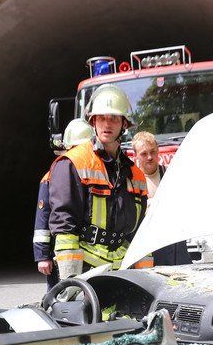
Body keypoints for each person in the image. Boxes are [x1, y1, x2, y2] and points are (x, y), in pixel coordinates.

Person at [49, 84, 153, 278]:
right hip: (86, 272)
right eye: (101, 118)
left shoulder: (135, 174)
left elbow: (140, 233)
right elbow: (65, 226)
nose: (107, 124)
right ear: (93, 121)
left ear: (124, 124)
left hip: (124, 272)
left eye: (114, 118)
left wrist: (145, 279)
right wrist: (72, 281)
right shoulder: (73, 163)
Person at [35, 119, 95, 288]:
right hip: (61, 253)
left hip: (92, 252)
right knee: (59, 294)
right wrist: (43, 256)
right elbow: (43, 218)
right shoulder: (51, 177)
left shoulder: (96, 174)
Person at [131, 131, 191, 266]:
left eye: (152, 152)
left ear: (158, 150)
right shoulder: (132, 181)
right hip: (147, 249)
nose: (150, 157)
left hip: (174, 247)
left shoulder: (172, 175)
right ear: (136, 156)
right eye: (144, 154)